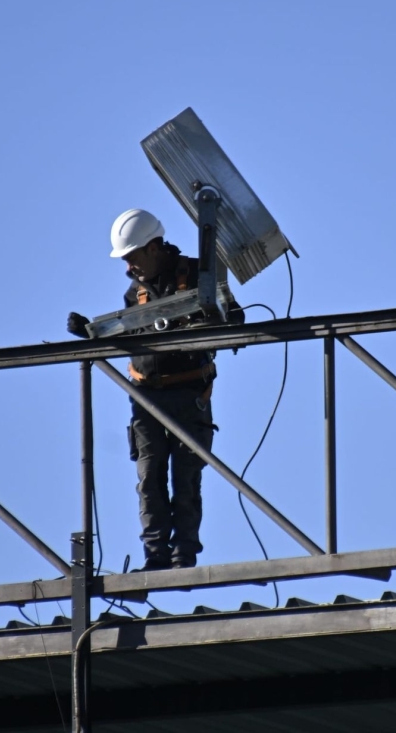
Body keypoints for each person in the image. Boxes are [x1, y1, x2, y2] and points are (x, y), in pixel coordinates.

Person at [67, 208, 244, 571]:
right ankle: (156, 556)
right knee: (149, 480)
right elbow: (128, 334)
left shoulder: (200, 274)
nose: (129, 268)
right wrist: (90, 332)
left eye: (132, 258)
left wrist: (213, 316)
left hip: (189, 394)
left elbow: (235, 319)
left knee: (185, 478)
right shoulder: (136, 293)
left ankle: (183, 556)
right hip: (146, 398)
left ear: (153, 247)